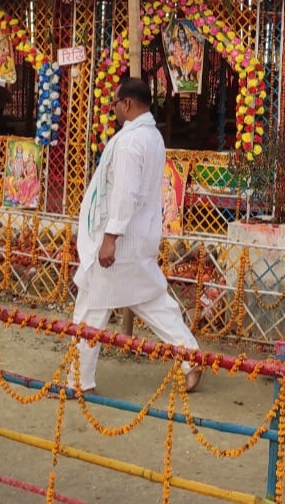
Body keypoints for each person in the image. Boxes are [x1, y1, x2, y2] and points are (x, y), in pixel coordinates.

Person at [72, 77, 202, 393]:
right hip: (138, 237)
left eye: (115, 104)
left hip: (121, 243)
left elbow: (124, 194)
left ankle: (79, 381)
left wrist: (110, 238)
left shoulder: (131, 142)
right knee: (151, 300)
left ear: (127, 104)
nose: (114, 109)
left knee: (91, 308)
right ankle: (191, 357)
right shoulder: (152, 136)